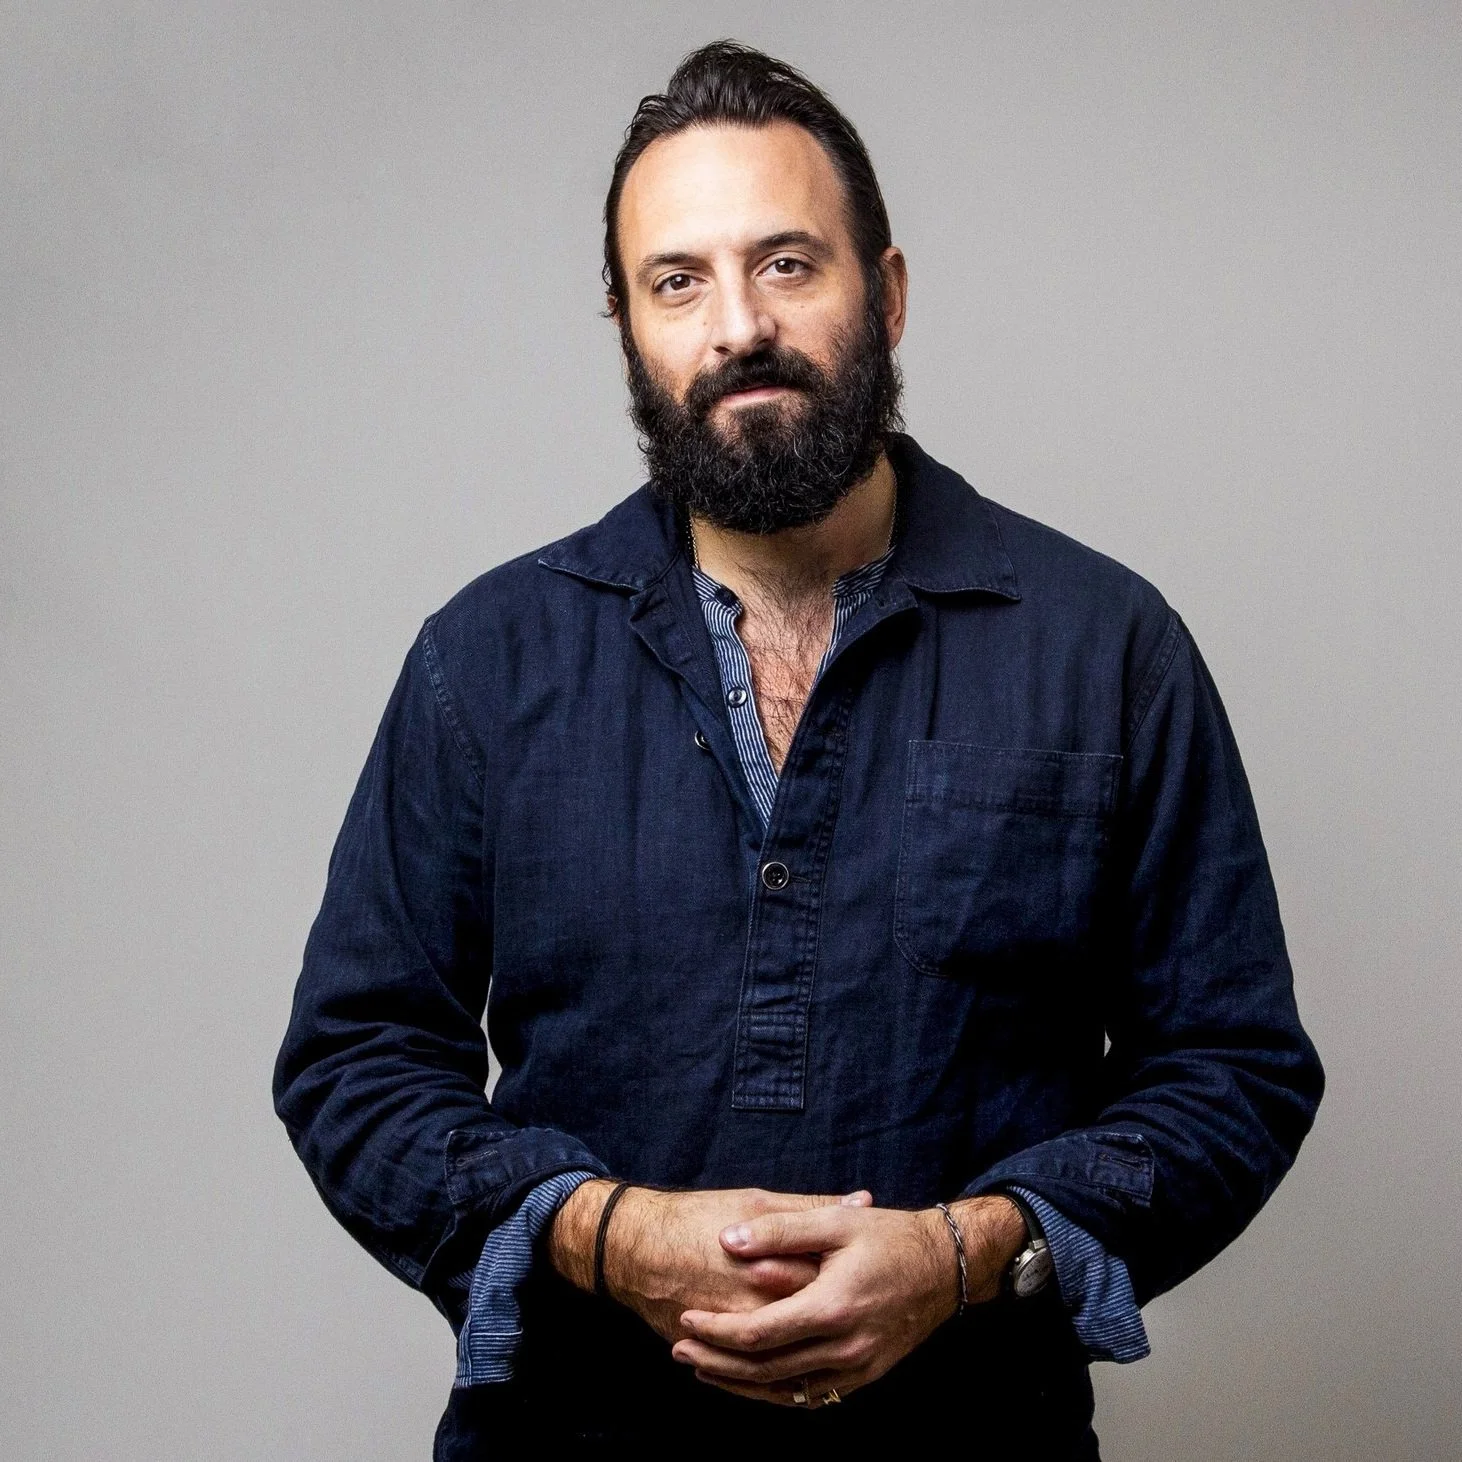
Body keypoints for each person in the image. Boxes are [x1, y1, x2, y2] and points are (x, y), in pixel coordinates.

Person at [273, 40, 1323, 1458]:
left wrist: (966, 1252)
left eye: (785, 263)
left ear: (882, 293)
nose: (734, 328)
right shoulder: (488, 656)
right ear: (626, 323)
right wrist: (608, 1233)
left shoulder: (1103, 645)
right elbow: (354, 1058)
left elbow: (1233, 1064)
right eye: (677, 280)